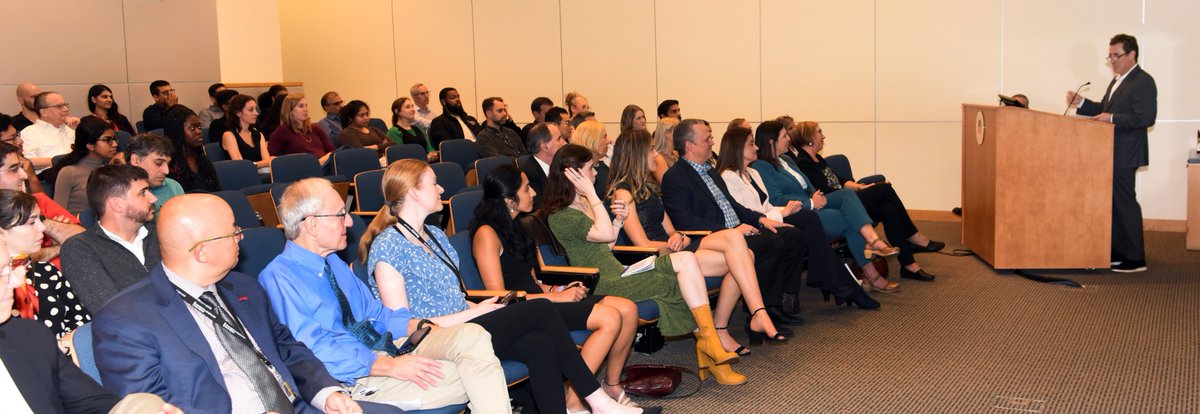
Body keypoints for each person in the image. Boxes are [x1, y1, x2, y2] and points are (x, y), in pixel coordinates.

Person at [361, 160, 655, 414]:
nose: (441, 189)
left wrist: (478, 307)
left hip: (465, 325)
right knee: (540, 309)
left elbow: (455, 298)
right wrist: (473, 313)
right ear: (414, 193)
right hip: (435, 339)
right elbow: (405, 328)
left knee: (540, 343)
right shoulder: (389, 247)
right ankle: (597, 399)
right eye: (434, 184)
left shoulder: (435, 235)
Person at [93, 194, 367, 414]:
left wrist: (326, 393)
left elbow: (287, 348)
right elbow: (153, 406)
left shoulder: (245, 287)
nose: (241, 236)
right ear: (202, 252)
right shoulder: (125, 320)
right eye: (234, 231)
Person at [261, 178, 511, 412]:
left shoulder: (334, 263)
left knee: (473, 337)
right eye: (341, 214)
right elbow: (311, 350)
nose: (350, 222)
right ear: (312, 224)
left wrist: (421, 326)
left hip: (388, 347)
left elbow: (377, 314)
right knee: (476, 371)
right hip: (354, 377)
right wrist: (387, 366)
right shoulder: (279, 278)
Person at [540, 144, 747, 385]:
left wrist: (618, 221)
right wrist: (594, 197)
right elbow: (604, 235)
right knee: (677, 280)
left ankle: (709, 342)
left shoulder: (585, 205)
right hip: (603, 283)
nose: (595, 173)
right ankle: (710, 346)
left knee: (687, 259)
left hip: (619, 271)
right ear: (573, 175)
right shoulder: (561, 215)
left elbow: (607, 244)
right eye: (590, 169)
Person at [471, 164, 641, 409]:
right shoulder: (487, 234)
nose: (533, 193)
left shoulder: (518, 226)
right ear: (509, 200)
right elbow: (500, 299)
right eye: (526, 189)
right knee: (611, 317)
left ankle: (610, 386)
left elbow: (532, 282)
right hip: (523, 312)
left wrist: (558, 290)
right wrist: (556, 299)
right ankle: (575, 401)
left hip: (541, 301)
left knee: (628, 308)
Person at [606, 130, 790, 356]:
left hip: (675, 249)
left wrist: (678, 237)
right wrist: (674, 245)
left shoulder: (649, 187)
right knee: (742, 253)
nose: (656, 154)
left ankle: (740, 321)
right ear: (637, 154)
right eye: (651, 149)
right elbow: (642, 244)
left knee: (741, 248)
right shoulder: (623, 194)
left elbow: (670, 229)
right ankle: (744, 320)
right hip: (655, 259)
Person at [662, 119, 845, 324]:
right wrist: (730, 231)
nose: (712, 142)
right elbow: (685, 221)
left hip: (736, 231)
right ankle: (765, 308)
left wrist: (761, 219)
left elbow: (733, 206)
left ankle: (783, 300)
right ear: (689, 145)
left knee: (792, 234)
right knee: (772, 242)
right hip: (716, 238)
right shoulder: (674, 177)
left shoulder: (710, 171)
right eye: (707, 139)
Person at [0, 239, 181, 414]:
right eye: (1, 273)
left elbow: (96, 405)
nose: (16, 282)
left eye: (9, 267)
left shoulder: (28, 337)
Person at [723, 123, 900, 293]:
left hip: (813, 203)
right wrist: (810, 202)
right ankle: (872, 269)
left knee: (847, 195)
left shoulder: (786, 160)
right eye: (784, 136)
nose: (789, 138)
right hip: (800, 210)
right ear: (771, 142)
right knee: (851, 220)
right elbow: (776, 198)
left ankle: (872, 246)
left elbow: (807, 185)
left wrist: (816, 197)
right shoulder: (761, 166)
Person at [789, 121, 944, 282]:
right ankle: (913, 236)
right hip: (840, 205)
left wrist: (861, 187)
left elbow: (840, 180)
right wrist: (858, 193)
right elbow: (825, 191)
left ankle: (909, 266)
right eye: (819, 132)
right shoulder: (803, 162)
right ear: (809, 138)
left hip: (847, 198)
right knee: (884, 189)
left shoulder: (818, 158)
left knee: (887, 209)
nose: (823, 136)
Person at [1066, 33, 1157, 273]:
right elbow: (1103, 109)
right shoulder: (1118, 81)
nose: (1112, 61)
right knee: (1113, 202)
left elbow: (1146, 118)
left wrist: (1113, 118)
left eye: (1116, 56)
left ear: (1131, 54)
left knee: (1125, 202)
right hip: (1110, 151)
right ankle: (1119, 251)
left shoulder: (1143, 81)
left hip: (1126, 152)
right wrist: (1081, 103)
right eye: (1110, 56)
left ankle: (1136, 258)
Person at [60, 165, 160, 311]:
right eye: (143, 192)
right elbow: (111, 311)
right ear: (117, 205)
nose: (154, 198)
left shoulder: (162, 233)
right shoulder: (80, 248)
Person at [0, 189, 91, 339]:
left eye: (40, 219)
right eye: (31, 222)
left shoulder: (46, 271)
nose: (42, 227)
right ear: (2, 233)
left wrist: (67, 342)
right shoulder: (5, 284)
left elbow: (83, 321)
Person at [0, 142, 84, 265]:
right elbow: (14, 259)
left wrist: (40, 218)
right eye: (13, 169)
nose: (24, 175)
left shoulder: (38, 201)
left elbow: (83, 240)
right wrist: (59, 246)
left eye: (21, 167)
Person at [52, 117, 119, 215]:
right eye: (107, 140)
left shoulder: (110, 168)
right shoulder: (69, 172)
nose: (115, 144)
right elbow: (58, 215)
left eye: (114, 139)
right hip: (78, 223)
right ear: (90, 146)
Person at [125, 133, 184, 213]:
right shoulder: (119, 194)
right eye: (158, 163)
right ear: (136, 160)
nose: (166, 171)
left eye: (168, 164)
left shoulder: (173, 186)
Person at [164, 106, 219, 192]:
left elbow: (217, 190)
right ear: (177, 131)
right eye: (192, 128)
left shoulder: (203, 160)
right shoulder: (169, 166)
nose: (198, 132)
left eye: (199, 127)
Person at [269, 94, 336, 164]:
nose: (305, 109)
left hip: (325, 165)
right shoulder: (283, 131)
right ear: (290, 110)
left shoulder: (315, 128)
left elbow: (332, 150)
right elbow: (271, 157)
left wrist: (322, 160)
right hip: (303, 168)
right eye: (301, 106)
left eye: (306, 105)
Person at [23, 91, 75, 173]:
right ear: (44, 112)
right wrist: (61, 160)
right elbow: (28, 162)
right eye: (59, 106)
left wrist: (79, 128)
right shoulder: (29, 133)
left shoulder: (71, 131)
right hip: (48, 177)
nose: (66, 109)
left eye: (66, 105)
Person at [520, 123, 566, 210]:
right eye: (559, 139)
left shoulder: (562, 166)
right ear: (545, 147)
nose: (564, 143)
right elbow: (540, 208)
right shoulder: (527, 173)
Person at [222, 94, 272, 168]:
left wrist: (254, 164)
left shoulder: (258, 134)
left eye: (256, 109)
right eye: (251, 110)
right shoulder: (229, 135)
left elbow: (268, 161)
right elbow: (240, 164)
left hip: (260, 172)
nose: (256, 113)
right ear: (238, 113)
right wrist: (258, 164)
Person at [387, 97, 438, 162]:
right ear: (397, 111)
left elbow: (429, 148)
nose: (413, 109)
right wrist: (424, 158)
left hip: (426, 164)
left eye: (412, 106)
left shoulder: (418, 128)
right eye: (408, 107)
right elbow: (400, 156)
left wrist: (432, 153)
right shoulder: (394, 131)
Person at [573, 120, 614, 197]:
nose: (609, 141)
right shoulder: (581, 171)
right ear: (591, 140)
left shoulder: (603, 167)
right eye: (604, 137)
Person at [650, 118, 679, 184]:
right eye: (678, 131)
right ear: (667, 133)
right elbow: (666, 184)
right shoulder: (657, 158)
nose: (682, 134)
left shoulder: (676, 153)